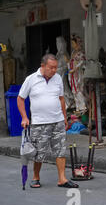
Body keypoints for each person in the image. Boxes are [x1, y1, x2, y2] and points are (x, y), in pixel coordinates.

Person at [17, 54, 78, 189]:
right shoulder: (31, 79)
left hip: (58, 121)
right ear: (43, 66)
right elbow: (20, 98)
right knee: (39, 152)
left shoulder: (57, 79)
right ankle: (35, 177)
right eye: (51, 67)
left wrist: (64, 117)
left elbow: (61, 98)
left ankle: (62, 179)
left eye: (56, 67)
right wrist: (24, 117)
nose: (54, 70)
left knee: (60, 150)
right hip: (39, 123)